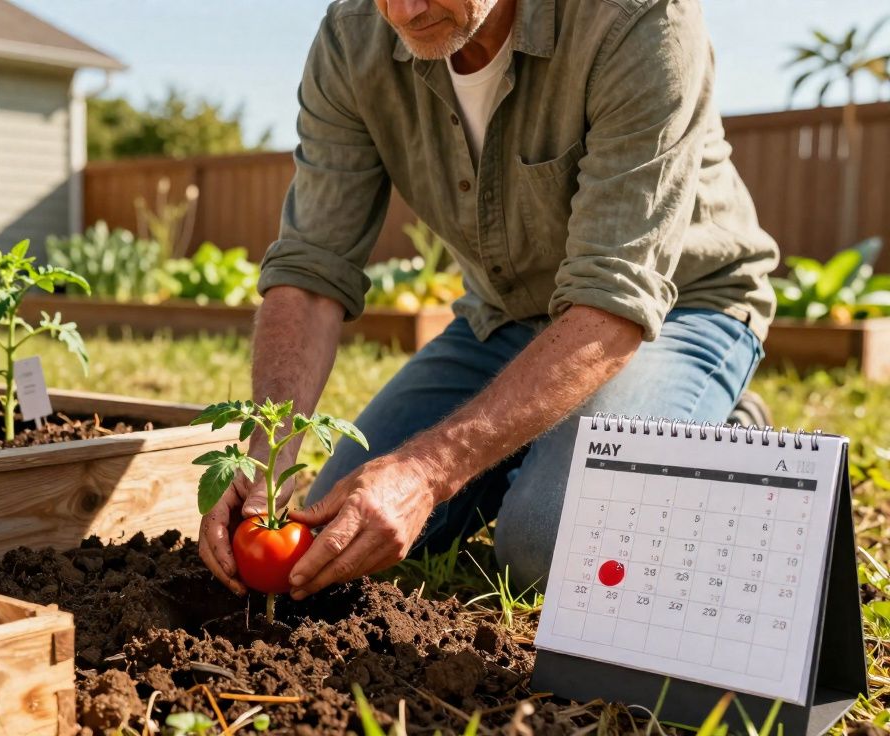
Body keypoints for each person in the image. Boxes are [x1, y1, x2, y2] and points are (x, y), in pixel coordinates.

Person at [198, 0, 779, 600]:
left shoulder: (638, 19)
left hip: (676, 310)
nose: (404, 10)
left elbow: (613, 301)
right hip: (504, 316)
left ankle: (721, 431)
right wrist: (267, 453)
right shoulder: (353, 40)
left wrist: (428, 469)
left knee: (549, 542)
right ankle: (537, 447)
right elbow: (310, 269)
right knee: (337, 521)